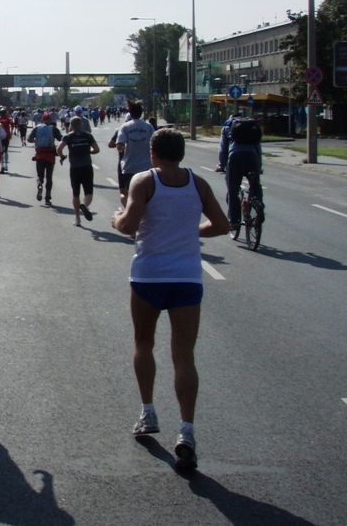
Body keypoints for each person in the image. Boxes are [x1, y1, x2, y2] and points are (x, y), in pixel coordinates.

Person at [111, 128, 230, 471]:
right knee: (184, 356)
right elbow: (222, 225)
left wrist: (116, 217)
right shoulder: (198, 183)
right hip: (187, 278)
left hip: (149, 276)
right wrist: (191, 231)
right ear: (181, 153)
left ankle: (148, 412)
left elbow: (129, 225)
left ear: (153, 153)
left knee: (143, 343)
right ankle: (187, 431)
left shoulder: (144, 181)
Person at [215, 112, 262, 230]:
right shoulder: (252, 127)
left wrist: (222, 164)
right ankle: (258, 204)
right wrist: (258, 166)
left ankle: (234, 221)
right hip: (252, 157)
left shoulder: (227, 126)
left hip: (235, 158)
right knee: (255, 185)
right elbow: (258, 147)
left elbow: (222, 148)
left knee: (233, 190)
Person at [56, 116, 100, 226]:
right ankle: (84, 205)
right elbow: (97, 149)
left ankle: (77, 219)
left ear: (71, 125)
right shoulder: (88, 135)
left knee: (76, 193)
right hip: (86, 166)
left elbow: (59, 148)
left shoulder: (68, 136)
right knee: (88, 192)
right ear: (81, 125)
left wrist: (63, 156)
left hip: (74, 167)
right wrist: (88, 151)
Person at [116, 101, 155, 207]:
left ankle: (132, 217)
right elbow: (155, 143)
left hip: (130, 166)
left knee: (131, 196)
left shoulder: (125, 127)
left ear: (130, 112)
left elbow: (119, 145)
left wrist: (123, 148)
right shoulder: (148, 126)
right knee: (147, 195)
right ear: (141, 113)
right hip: (146, 167)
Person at [27, 112, 62, 205]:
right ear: (50, 120)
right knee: (49, 177)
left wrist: (36, 140)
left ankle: (39, 184)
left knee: (40, 175)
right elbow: (61, 140)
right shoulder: (53, 129)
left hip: (39, 154)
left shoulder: (37, 128)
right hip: (50, 155)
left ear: (42, 120)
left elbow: (29, 140)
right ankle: (47, 197)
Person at [0, 107, 14, 172]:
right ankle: (6, 165)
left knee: (1, 151)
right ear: (6, 112)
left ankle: (2, 165)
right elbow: (12, 125)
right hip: (6, 136)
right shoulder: (8, 119)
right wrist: (11, 133)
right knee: (6, 150)